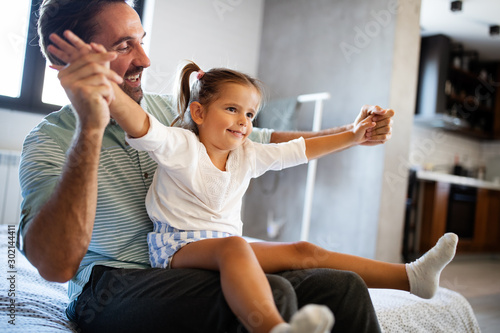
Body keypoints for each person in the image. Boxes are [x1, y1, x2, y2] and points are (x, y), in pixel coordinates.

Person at [17, 1, 396, 332]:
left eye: (141, 40)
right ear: (66, 64)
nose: (145, 59)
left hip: (195, 262)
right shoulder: (47, 142)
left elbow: (262, 142)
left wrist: (353, 132)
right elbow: (55, 266)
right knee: (272, 296)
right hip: (113, 286)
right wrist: (90, 127)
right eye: (123, 45)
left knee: (341, 286)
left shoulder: (172, 110)